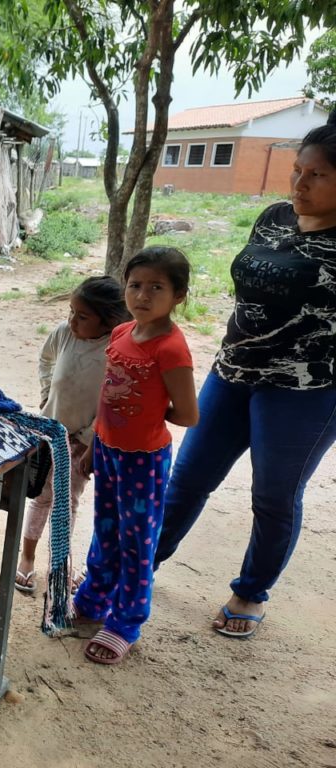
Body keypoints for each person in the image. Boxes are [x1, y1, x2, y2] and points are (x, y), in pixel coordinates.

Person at [154, 115, 336, 640]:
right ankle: (145, 563)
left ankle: (251, 590)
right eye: (298, 170)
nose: (299, 184)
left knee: (274, 495)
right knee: (188, 477)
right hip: (233, 372)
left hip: (306, 390)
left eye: (317, 175)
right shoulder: (275, 217)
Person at [73, 247, 199, 665]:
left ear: (178, 295)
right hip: (108, 450)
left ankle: (126, 621)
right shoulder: (122, 333)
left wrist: (146, 411)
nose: (142, 295)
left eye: (156, 288)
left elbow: (188, 413)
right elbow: (109, 397)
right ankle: (93, 596)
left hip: (143, 460)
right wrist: (95, 444)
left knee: (137, 541)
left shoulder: (171, 349)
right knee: (105, 527)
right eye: (135, 285)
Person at [14, 276, 129, 595]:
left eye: (82, 316)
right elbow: (45, 359)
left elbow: (114, 397)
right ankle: (26, 558)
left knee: (68, 502)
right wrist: (46, 390)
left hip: (84, 443)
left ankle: (59, 566)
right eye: (71, 311)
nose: (72, 320)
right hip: (50, 433)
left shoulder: (117, 348)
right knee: (41, 497)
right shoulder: (63, 335)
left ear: (108, 320)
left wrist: (90, 437)